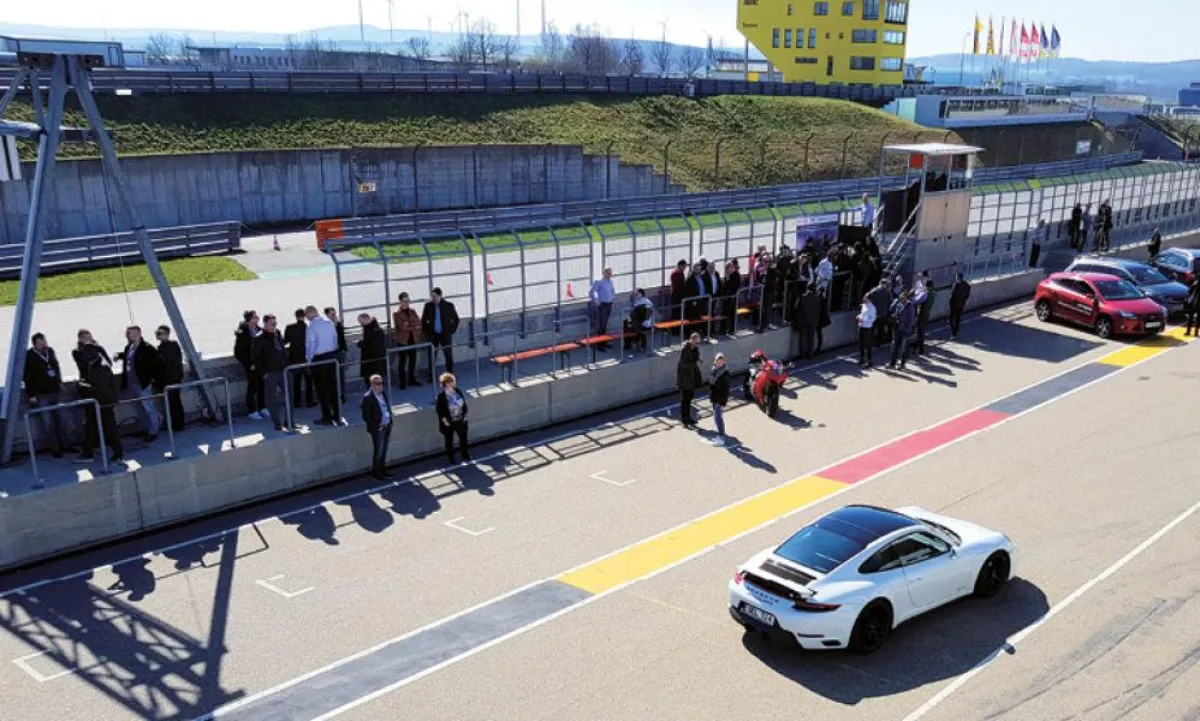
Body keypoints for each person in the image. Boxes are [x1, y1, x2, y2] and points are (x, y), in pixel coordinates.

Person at [72, 329, 123, 463]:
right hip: (99, 399)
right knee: (91, 424)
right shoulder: (98, 364)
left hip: (102, 400)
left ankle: (117, 452)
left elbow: (98, 386)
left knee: (108, 426)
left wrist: (83, 386)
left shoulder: (99, 368)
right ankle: (89, 451)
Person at [23, 333, 68, 458]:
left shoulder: (50, 351)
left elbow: (56, 366)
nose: (43, 343)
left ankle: (66, 445)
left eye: (44, 341)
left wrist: (59, 381)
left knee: (61, 419)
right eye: (40, 342)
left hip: (54, 390)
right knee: (48, 422)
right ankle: (55, 448)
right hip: (41, 394)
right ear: (35, 343)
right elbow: (27, 376)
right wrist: (31, 394)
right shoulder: (30, 355)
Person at [120, 325, 164, 442]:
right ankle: (146, 428)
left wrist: (152, 378)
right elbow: (129, 360)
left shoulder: (147, 348)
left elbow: (158, 363)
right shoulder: (129, 347)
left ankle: (153, 430)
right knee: (138, 407)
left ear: (140, 334)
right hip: (131, 383)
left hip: (143, 383)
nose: (133, 336)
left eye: (135, 334)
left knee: (148, 406)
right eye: (130, 334)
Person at [305, 305, 344, 426]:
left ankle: (327, 416)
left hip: (319, 358)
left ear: (311, 313)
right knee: (333, 388)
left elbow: (311, 345)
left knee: (321, 390)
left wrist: (309, 361)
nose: (307, 318)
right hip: (332, 357)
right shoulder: (329, 322)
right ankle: (337, 415)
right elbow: (335, 340)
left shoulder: (312, 326)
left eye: (307, 315)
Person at [254, 314, 291, 432]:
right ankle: (277, 423)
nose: (274, 326)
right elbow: (255, 357)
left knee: (289, 395)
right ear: (265, 324)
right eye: (271, 324)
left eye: (275, 324)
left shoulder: (278, 333)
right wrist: (264, 373)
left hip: (283, 369)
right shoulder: (259, 338)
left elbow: (282, 349)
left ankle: (289, 421)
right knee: (271, 399)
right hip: (270, 372)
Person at [360, 374, 393, 479]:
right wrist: (375, 426)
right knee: (378, 450)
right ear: (373, 385)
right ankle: (376, 473)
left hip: (387, 425)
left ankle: (383, 469)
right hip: (378, 428)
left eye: (382, 383)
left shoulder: (382, 393)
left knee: (384, 449)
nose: (381, 385)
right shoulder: (368, 397)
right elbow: (366, 416)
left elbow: (386, 407)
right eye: (379, 383)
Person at [234, 310, 266, 419]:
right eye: (255, 317)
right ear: (250, 319)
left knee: (262, 384)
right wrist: (249, 364)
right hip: (250, 364)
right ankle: (251, 410)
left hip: (260, 362)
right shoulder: (243, 331)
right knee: (253, 385)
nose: (257, 318)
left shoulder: (259, 329)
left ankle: (263, 407)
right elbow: (239, 352)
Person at [155, 325, 186, 433]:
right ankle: (174, 424)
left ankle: (178, 425)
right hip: (166, 380)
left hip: (172, 379)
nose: (158, 335)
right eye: (157, 333)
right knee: (171, 402)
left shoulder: (172, 345)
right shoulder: (161, 347)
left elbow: (171, 363)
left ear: (167, 334)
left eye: (160, 333)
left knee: (174, 402)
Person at [422, 288, 460, 374]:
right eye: (432, 296)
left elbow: (456, 319)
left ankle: (450, 374)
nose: (433, 298)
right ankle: (431, 376)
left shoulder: (448, 306)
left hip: (445, 334)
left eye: (435, 296)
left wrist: (451, 330)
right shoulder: (428, 306)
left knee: (448, 355)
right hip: (433, 335)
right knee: (432, 355)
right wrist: (427, 332)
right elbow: (423, 320)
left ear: (440, 296)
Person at [435, 372, 470, 464]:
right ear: (443, 384)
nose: (449, 384)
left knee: (463, 438)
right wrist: (445, 421)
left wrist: (465, 415)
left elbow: (464, 404)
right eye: (447, 382)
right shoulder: (441, 396)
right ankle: (451, 457)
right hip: (449, 421)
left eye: (451, 381)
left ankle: (465, 454)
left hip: (460, 419)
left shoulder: (457, 391)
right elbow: (439, 410)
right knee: (449, 440)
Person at [392, 292, 423, 388]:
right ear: (400, 302)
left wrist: (411, 325)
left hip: (412, 339)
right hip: (402, 340)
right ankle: (402, 382)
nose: (407, 303)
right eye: (405, 301)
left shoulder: (412, 311)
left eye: (408, 301)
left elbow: (418, 323)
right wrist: (414, 326)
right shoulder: (397, 313)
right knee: (402, 361)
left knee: (413, 360)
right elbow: (402, 327)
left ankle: (411, 379)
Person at [284, 308, 314, 407]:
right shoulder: (308, 328)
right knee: (308, 380)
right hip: (306, 357)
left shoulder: (290, 328)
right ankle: (310, 401)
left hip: (294, 358)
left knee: (296, 381)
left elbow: (285, 342)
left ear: (295, 316)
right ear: (304, 316)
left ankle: (297, 402)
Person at [677, 333, 703, 429]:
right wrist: (695, 363)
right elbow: (682, 365)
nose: (697, 344)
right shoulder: (685, 350)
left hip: (692, 377)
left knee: (689, 398)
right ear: (692, 340)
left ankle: (688, 417)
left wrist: (698, 361)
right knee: (685, 399)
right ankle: (684, 419)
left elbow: (694, 360)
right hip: (684, 378)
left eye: (698, 342)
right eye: (696, 342)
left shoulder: (695, 349)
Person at [357, 313, 387, 388]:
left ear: (366, 319)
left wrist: (359, 343)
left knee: (371, 383)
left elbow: (370, 345)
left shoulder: (371, 330)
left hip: (372, 361)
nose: (360, 324)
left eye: (361, 321)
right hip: (378, 360)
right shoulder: (376, 328)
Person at [325, 307, 349, 403]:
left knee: (341, 375)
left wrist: (345, 350)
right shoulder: (326, 326)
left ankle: (342, 395)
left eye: (334, 314)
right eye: (332, 314)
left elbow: (342, 338)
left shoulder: (338, 325)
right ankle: (334, 396)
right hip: (330, 353)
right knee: (332, 376)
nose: (334, 316)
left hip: (339, 352)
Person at [889, 292, 917, 370]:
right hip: (897, 329)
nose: (901, 299)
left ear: (907, 298)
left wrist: (908, 330)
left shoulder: (910, 306)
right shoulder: (899, 304)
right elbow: (896, 313)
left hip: (905, 330)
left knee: (904, 348)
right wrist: (894, 316)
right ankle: (892, 364)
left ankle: (902, 364)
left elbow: (911, 319)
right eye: (901, 298)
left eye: (903, 298)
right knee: (894, 347)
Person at [589, 267, 616, 349]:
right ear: (604, 273)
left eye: (610, 273)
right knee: (601, 324)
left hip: (609, 304)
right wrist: (596, 300)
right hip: (603, 305)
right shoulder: (600, 282)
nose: (610, 275)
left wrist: (612, 296)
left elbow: (612, 290)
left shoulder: (610, 282)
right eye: (608, 273)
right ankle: (600, 344)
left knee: (605, 323)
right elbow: (593, 292)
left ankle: (604, 341)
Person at [709, 353, 731, 448]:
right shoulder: (714, 370)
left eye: (721, 362)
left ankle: (721, 437)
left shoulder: (725, 373)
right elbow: (711, 384)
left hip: (719, 398)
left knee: (718, 418)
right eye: (718, 362)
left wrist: (723, 400)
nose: (719, 364)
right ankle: (720, 435)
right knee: (716, 417)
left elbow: (726, 389)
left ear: (724, 362)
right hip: (715, 397)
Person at [914, 279, 936, 355]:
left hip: (921, 313)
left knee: (920, 331)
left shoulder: (925, 294)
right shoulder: (934, 293)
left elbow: (916, 301)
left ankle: (920, 348)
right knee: (921, 330)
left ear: (927, 286)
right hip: (927, 313)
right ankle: (917, 345)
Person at [868, 279, 892, 348]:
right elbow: (889, 303)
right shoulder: (887, 293)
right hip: (883, 314)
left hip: (874, 314)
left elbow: (868, 299)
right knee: (881, 328)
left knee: (872, 328)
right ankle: (879, 343)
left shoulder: (874, 290)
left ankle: (869, 342)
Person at [856, 292, 877, 368]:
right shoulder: (864, 306)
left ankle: (869, 360)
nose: (864, 299)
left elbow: (872, 319)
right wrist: (859, 317)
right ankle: (862, 359)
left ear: (869, 299)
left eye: (866, 298)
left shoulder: (872, 308)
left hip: (867, 328)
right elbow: (862, 314)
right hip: (861, 326)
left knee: (867, 345)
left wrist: (863, 320)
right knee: (860, 343)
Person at [949, 273, 972, 340]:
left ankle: (953, 333)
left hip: (954, 305)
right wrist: (964, 301)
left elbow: (952, 295)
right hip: (961, 304)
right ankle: (954, 333)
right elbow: (967, 295)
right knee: (958, 319)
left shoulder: (956, 285)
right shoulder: (967, 285)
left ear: (958, 278)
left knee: (951, 319)